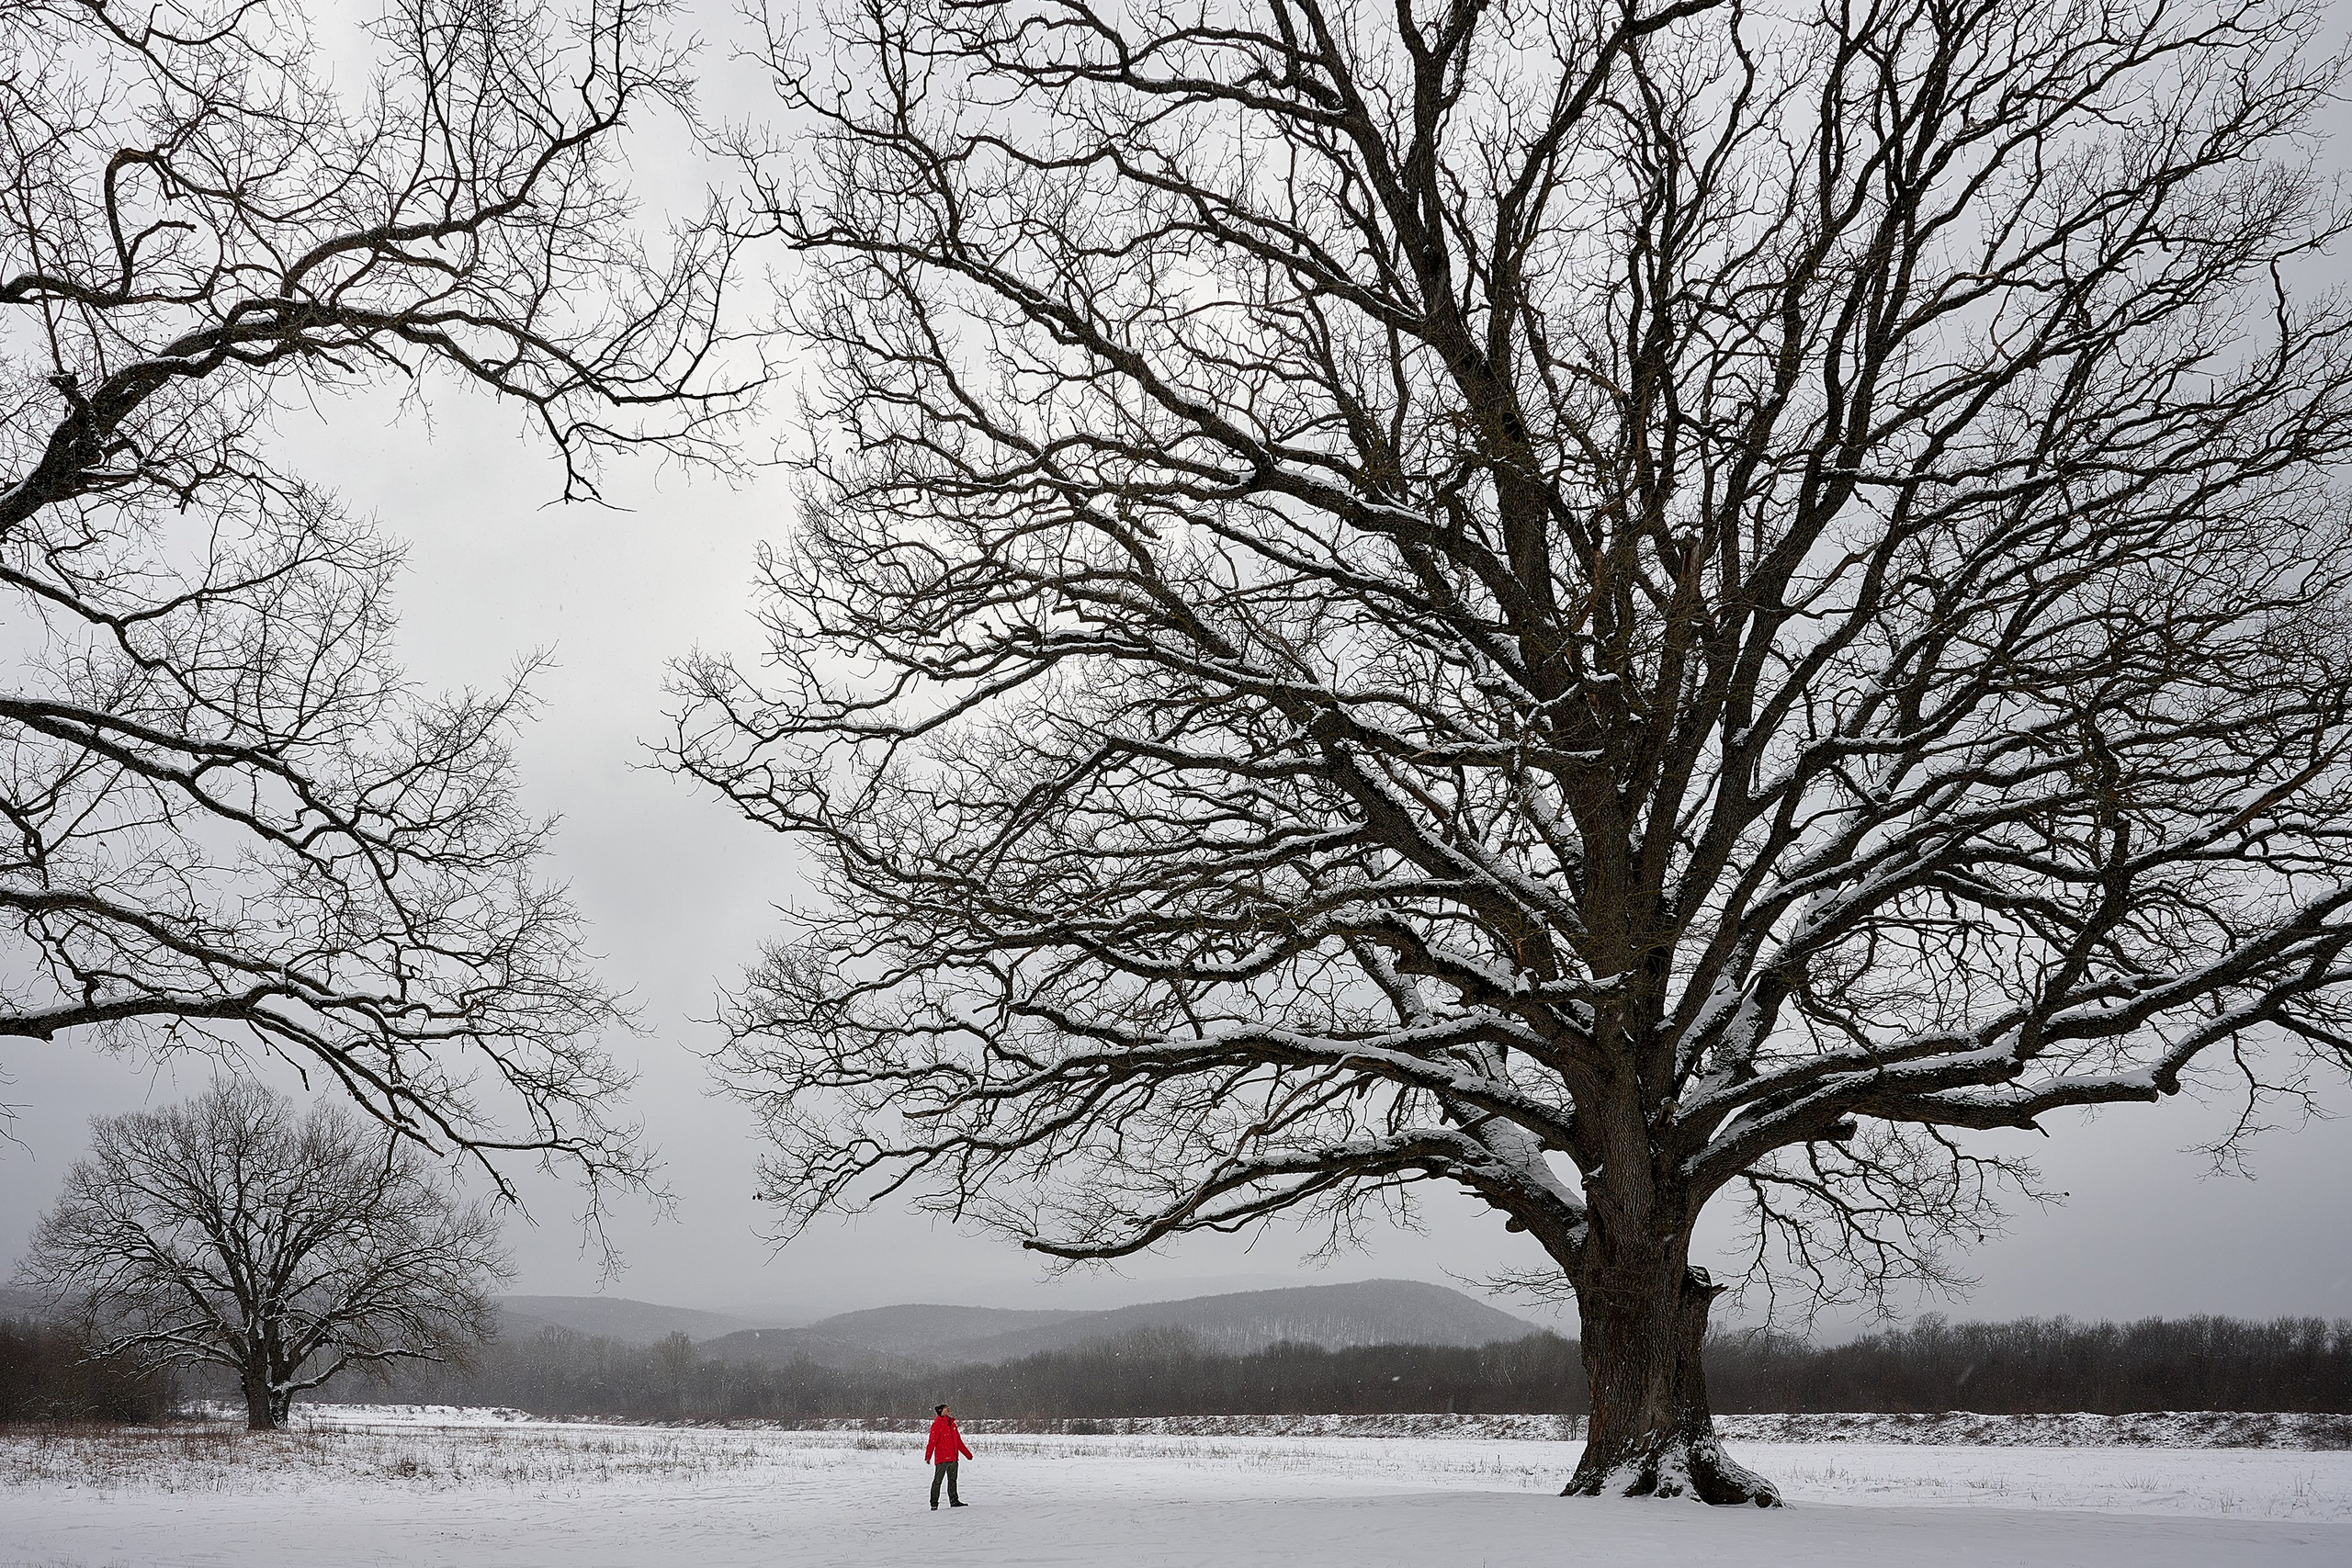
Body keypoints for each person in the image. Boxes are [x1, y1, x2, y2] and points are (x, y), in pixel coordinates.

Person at [925, 1402, 973, 1509]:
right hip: (942, 1459)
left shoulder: (952, 1424)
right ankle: (934, 1503)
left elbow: (958, 1442)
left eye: (948, 1408)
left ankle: (954, 1501)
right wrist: (928, 1456)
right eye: (946, 1409)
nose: (948, 1410)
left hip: (953, 1458)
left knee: (953, 1481)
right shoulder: (937, 1425)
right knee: (937, 1481)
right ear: (940, 1411)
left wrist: (967, 1454)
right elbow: (932, 1442)